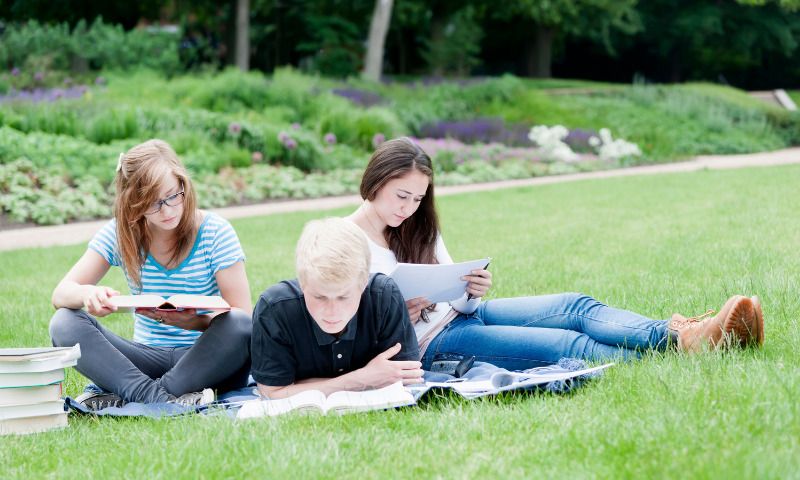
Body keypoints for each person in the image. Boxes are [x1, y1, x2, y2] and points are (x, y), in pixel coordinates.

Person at [345, 137, 765, 372]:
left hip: (462, 316)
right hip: (431, 343)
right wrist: (402, 314)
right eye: (402, 196)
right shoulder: (344, 242)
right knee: (567, 343)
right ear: (376, 181)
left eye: (418, 198)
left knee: (574, 305)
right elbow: (339, 330)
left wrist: (471, 289)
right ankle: (693, 350)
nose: (409, 208)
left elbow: (454, 295)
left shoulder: (417, 224)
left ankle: (685, 336)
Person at [49, 139, 253, 409]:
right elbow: (61, 293)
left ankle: (139, 395)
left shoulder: (216, 232)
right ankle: (160, 397)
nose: (168, 210)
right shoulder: (121, 233)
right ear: (133, 204)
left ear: (183, 185)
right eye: (153, 204)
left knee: (239, 325)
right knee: (64, 322)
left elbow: (242, 318)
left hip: (205, 358)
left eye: (173, 195)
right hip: (144, 359)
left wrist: (189, 321)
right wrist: (88, 294)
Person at [251, 217, 422, 399]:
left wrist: (301, 385)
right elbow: (272, 393)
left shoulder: (383, 295)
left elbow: (406, 378)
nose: (332, 312)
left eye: (343, 297)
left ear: (363, 283)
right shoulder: (274, 308)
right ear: (302, 283)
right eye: (320, 297)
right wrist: (362, 378)